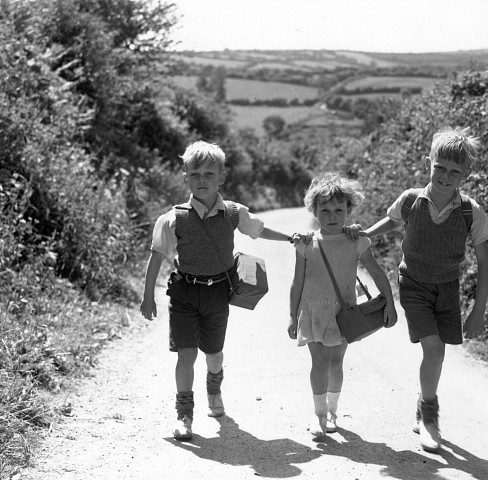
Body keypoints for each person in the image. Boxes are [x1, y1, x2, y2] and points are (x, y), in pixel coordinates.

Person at [345, 127, 488, 452]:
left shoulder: (471, 211)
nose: (445, 176)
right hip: (413, 284)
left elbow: (485, 264)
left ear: (466, 174)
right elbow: (391, 222)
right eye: (440, 167)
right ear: (430, 161)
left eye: (455, 171)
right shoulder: (411, 199)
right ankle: (429, 417)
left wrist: (478, 310)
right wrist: (363, 235)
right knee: (434, 350)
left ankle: (423, 401)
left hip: (448, 288)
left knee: (436, 353)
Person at [140, 141, 299, 441]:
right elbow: (157, 255)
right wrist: (148, 297)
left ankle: (214, 389)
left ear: (222, 178)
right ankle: (184, 414)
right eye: (195, 174)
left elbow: (259, 230)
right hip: (184, 293)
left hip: (217, 295)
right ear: (185, 177)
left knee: (213, 353)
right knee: (185, 354)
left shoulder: (234, 213)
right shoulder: (173, 218)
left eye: (209, 174)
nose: (202, 180)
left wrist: (291, 238)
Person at [288, 172, 398, 437]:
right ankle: (319, 415)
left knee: (336, 363)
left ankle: (333, 410)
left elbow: (378, 273)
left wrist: (390, 304)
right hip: (312, 312)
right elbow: (297, 282)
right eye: (324, 210)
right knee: (319, 362)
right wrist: (292, 316)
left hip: (342, 313)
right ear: (314, 210)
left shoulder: (356, 241)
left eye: (339, 209)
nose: (332, 215)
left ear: (349, 210)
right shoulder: (306, 243)